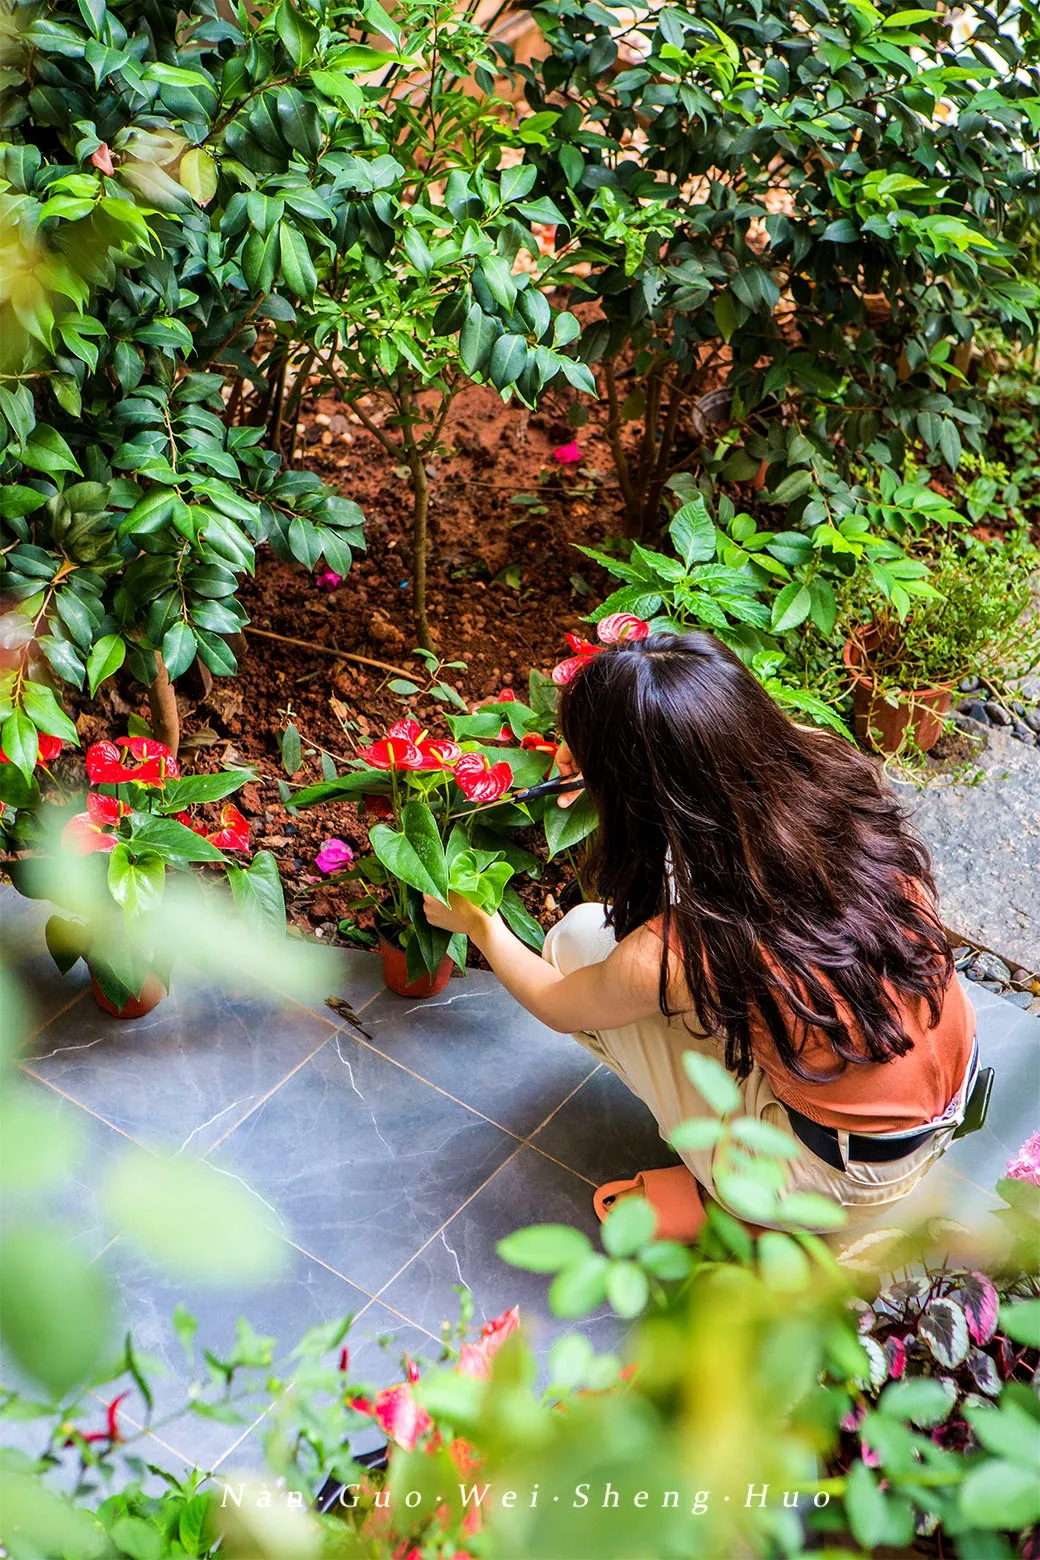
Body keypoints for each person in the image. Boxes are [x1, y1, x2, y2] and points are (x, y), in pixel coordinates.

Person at [424, 631, 977, 1235]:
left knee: (575, 946)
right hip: (943, 1084)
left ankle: (744, 1209)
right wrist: (613, 769)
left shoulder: (691, 949)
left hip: (847, 1173)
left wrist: (478, 922)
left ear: (635, 793)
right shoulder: (826, 766)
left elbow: (558, 1006)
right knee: (656, 969)